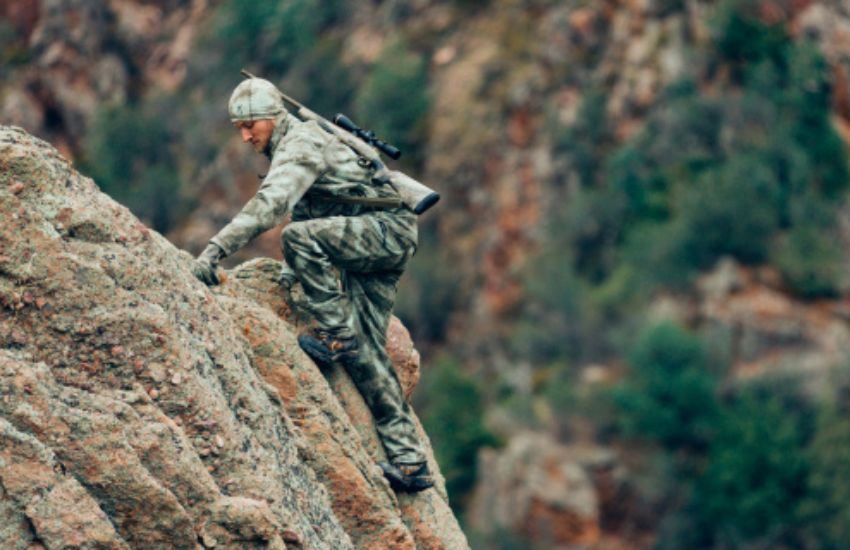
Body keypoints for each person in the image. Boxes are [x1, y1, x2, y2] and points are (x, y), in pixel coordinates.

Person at [192, 76, 433, 493]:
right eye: (240, 128)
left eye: (252, 125)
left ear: (273, 117)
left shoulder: (300, 143)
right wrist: (292, 276)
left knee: (298, 241)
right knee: (369, 353)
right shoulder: (296, 143)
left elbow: (274, 206)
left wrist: (215, 249)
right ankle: (411, 462)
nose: (247, 136)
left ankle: (336, 335)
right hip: (385, 232)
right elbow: (310, 209)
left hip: (384, 231)